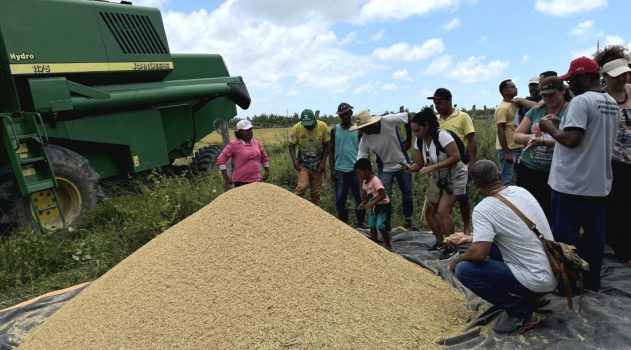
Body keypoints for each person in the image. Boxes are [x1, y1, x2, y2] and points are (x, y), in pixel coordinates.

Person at [448, 160, 556, 335]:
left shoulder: (483, 209)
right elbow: (512, 230)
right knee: (487, 247)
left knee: (464, 270)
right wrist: (469, 238)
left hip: (536, 280)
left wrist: (456, 259)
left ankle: (521, 312)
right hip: (553, 270)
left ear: (476, 185)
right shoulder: (520, 191)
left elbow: (480, 253)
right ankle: (533, 297)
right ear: (499, 174)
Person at [539, 56, 619, 291]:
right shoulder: (610, 103)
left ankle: (568, 285)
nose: (568, 85)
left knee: (566, 239)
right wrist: (560, 123)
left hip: (571, 184)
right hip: (598, 183)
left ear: (583, 78)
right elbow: (589, 134)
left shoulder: (581, 102)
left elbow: (572, 140)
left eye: (571, 80)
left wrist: (549, 128)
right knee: (595, 238)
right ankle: (593, 282)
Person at [404, 107, 467, 260]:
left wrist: (432, 167)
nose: (415, 134)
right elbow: (419, 164)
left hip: (455, 176)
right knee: (429, 212)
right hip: (438, 178)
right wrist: (410, 167)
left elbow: (456, 156)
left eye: (418, 130)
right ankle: (441, 242)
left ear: (426, 126)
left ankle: (452, 247)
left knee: (443, 211)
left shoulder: (443, 136)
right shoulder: (419, 141)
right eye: (414, 131)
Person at [594, 45, 631, 267]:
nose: (622, 79)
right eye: (616, 76)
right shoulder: (599, 98)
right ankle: (623, 250)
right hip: (614, 161)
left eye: (625, 74)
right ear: (604, 76)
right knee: (619, 205)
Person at [513, 77, 570, 222]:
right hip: (529, 169)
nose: (548, 98)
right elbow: (517, 136)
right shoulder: (536, 110)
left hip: (555, 173)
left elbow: (571, 140)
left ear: (562, 90)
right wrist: (534, 138)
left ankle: (551, 243)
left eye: (552, 94)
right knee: (527, 212)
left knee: (551, 214)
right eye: (544, 95)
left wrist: (543, 140)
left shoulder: (570, 110)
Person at [352, 109, 417, 230]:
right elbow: (361, 161)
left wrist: (408, 139)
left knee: (407, 193)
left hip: (401, 162)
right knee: (384, 197)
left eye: (365, 127)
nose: (363, 130)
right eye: (361, 128)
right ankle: (385, 223)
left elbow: (407, 116)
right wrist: (363, 184)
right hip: (385, 167)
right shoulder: (365, 138)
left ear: (371, 123)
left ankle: (409, 218)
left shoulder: (388, 120)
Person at [428, 88, 477, 236]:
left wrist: (471, 164)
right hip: (442, 167)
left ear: (449, 101)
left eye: (440, 102)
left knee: (462, 197)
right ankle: (445, 228)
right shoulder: (436, 120)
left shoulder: (462, 117)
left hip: (458, 164)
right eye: (435, 103)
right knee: (441, 201)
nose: (437, 106)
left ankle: (467, 226)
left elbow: (472, 141)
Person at [329, 102, 365, 227]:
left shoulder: (358, 130)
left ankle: (361, 223)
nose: (344, 117)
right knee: (340, 200)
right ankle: (345, 225)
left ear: (351, 113)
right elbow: (331, 150)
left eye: (347, 114)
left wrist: (366, 169)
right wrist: (332, 170)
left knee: (360, 198)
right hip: (340, 170)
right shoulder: (335, 130)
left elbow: (364, 150)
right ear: (339, 116)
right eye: (342, 115)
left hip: (356, 171)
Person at [289, 109, 330, 206]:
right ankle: (293, 207)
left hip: (318, 164)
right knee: (301, 187)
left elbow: (327, 145)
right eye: (305, 124)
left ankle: (314, 213)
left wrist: (323, 163)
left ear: (315, 120)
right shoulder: (297, 127)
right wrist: (294, 160)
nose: (307, 126)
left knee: (316, 193)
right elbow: (291, 145)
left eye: (310, 123)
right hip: (303, 164)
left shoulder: (322, 126)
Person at [216, 120, 269, 187]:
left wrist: (267, 171)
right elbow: (220, 160)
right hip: (241, 182)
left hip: (257, 180)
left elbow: (264, 157)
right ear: (239, 132)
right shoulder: (234, 145)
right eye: (246, 130)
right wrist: (226, 177)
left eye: (250, 129)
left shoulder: (256, 142)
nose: (249, 132)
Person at [355, 158, 392, 250]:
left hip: (383, 206)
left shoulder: (375, 181)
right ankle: (375, 244)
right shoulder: (364, 182)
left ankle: (388, 244)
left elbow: (383, 194)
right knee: (371, 224)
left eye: (359, 173)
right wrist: (363, 203)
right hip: (375, 206)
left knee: (380, 225)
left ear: (367, 171)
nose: (358, 176)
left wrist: (372, 203)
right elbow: (365, 196)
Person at [495, 79, 523, 185]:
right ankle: (502, 200)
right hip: (508, 149)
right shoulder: (502, 108)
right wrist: (507, 152)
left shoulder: (514, 104)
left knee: (521, 176)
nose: (516, 88)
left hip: (517, 146)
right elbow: (500, 130)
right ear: (504, 91)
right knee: (506, 178)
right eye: (512, 87)